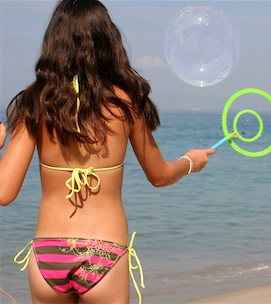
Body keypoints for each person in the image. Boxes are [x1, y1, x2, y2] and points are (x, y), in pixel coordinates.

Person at [0, 0, 214, 303]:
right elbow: (160, 175)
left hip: (48, 255)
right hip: (103, 252)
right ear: (107, 40)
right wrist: (191, 162)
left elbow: (3, 192)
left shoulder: (36, 103)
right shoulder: (125, 103)